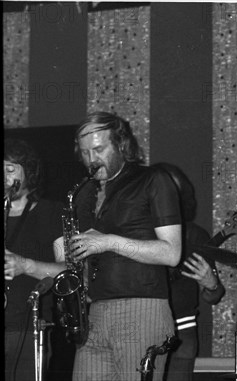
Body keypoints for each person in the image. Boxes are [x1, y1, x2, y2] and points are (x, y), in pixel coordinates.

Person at [67, 112, 182, 381]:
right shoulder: (85, 193)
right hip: (94, 312)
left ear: (121, 144)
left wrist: (109, 242)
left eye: (99, 149)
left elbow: (172, 253)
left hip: (142, 308)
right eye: (85, 153)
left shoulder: (153, 179)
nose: (92, 160)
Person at [152, 162, 225, 381]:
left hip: (182, 332)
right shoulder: (138, 232)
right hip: (143, 326)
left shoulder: (196, 236)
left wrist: (211, 283)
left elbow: (214, 296)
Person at [4, 139, 67, 381]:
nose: (4, 177)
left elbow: (68, 271)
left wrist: (25, 265)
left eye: (10, 170)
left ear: (28, 172)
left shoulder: (52, 212)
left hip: (28, 329)